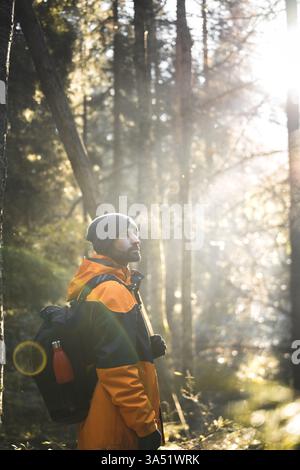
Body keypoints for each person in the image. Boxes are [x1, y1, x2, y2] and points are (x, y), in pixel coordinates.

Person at [66, 213, 166, 450]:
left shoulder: (103, 285)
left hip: (105, 423)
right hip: (118, 433)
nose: (136, 239)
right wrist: (145, 427)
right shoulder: (111, 291)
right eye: (126, 234)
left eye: (136, 233)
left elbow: (99, 349)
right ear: (106, 242)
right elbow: (117, 371)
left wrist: (143, 348)